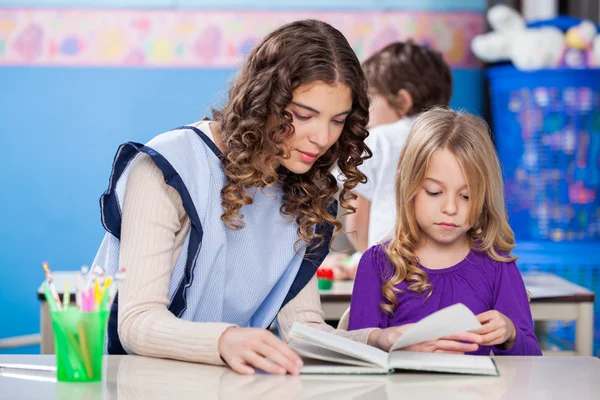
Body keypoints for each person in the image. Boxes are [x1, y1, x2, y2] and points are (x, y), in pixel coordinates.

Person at [91, 20, 475, 377]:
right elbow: (136, 322)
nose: (322, 138)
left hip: (220, 383)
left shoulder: (305, 188)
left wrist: (379, 340)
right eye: (303, 115)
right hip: (132, 382)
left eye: (337, 120)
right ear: (262, 101)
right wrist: (226, 340)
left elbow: (301, 331)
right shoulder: (168, 166)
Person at [349, 108, 543, 356]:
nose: (450, 208)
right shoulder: (378, 263)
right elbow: (357, 357)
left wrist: (510, 334)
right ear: (409, 186)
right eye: (434, 192)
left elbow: (532, 361)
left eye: (466, 196)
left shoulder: (497, 265)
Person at [344, 41, 453, 253]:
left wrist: (364, 258)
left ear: (402, 101)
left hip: (391, 266)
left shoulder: (376, 141)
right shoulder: (456, 139)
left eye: (369, 101)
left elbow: (355, 225)